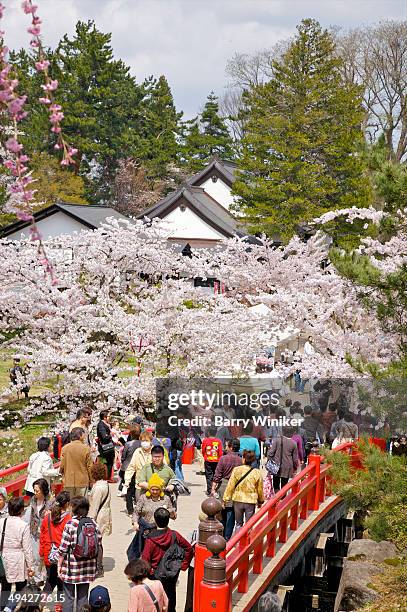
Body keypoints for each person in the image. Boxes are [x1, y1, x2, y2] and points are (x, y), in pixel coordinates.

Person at [142, 508, 193, 612]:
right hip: (171, 573)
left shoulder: (150, 540)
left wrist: (148, 573)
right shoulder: (174, 535)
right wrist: (184, 565)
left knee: (156, 599)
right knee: (171, 596)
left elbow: (145, 560)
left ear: (155, 520)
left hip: (155, 574)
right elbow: (189, 548)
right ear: (168, 520)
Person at [57, 496, 102, 612]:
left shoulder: (70, 524)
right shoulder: (94, 523)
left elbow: (63, 548)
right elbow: (99, 545)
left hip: (71, 568)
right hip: (88, 567)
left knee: (68, 597)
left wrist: (59, 566)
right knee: (83, 598)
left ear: (74, 509)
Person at [0, 496, 34, 612]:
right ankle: (10, 608)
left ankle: (3, 607)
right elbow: (27, 549)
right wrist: (31, 566)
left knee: (5, 587)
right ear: (21, 510)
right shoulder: (23, 525)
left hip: (4, 558)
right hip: (18, 559)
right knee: (21, 587)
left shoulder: (1, 522)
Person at [39, 491, 71, 612]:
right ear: (67, 504)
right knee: (61, 584)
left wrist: (42, 554)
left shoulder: (47, 517)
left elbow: (42, 536)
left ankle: (41, 602)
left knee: (50, 581)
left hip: (49, 554)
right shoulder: (68, 519)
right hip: (62, 557)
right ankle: (59, 607)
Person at [223, 450, 264, 531]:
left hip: (238, 499)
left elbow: (230, 486)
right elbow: (260, 489)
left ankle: (238, 542)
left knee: (238, 523)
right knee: (249, 524)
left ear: (244, 459)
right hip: (250, 500)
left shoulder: (236, 470)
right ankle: (247, 541)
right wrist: (260, 501)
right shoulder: (257, 472)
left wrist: (226, 498)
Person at [210, 438, 242, 540]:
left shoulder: (223, 459)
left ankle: (221, 534)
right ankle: (228, 536)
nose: (226, 448)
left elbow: (217, 475)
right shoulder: (241, 459)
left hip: (223, 485)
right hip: (236, 486)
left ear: (231, 447)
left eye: (227, 446)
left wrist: (213, 489)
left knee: (221, 511)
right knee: (231, 512)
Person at [26, 478, 53, 585]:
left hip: (46, 533)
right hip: (34, 531)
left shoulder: (51, 502)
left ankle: (45, 576)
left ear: (44, 490)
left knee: (45, 557)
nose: (35, 493)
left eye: (37, 491)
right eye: (34, 490)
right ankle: (38, 579)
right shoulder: (33, 499)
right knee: (35, 557)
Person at [88, 463, 112, 577]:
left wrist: (89, 520)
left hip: (99, 517)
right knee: (99, 541)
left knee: (97, 542)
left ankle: (98, 567)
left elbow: (94, 506)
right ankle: (98, 565)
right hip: (105, 514)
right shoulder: (105, 484)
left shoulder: (98, 487)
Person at [59, 427, 93, 498]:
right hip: (82, 480)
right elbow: (90, 466)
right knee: (81, 504)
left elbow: (62, 465)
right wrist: (91, 480)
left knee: (70, 504)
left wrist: (62, 475)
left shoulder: (65, 448)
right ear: (80, 436)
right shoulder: (86, 449)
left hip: (68, 480)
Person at [118, 425, 141, 497]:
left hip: (127, 467)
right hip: (138, 467)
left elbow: (123, 457)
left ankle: (129, 504)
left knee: (128, 489)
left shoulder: (128, 444)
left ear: (131, 434)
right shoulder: (142, 443)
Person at [201, 427, 223, 497]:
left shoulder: (205, 440)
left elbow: (203, 450)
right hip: (217, 461)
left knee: (209, 476)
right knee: (216, 475)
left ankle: (209, 490)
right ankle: (215, 489)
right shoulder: (218, 441)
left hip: (208, 460)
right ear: (216, 433)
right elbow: (220, 452)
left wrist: (205, 456)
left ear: (208, 433)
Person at [97, 411, 115, 481]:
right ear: (104, 417)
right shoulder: (101, 425)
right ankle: (105, 478)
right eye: (108, 416)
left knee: (109, 462)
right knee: (105, 463)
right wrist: (111, 435)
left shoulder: (107, 424)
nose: (109, 418)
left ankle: (108, 477)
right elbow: (104, 437)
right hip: (104, 448)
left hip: (108, 446)